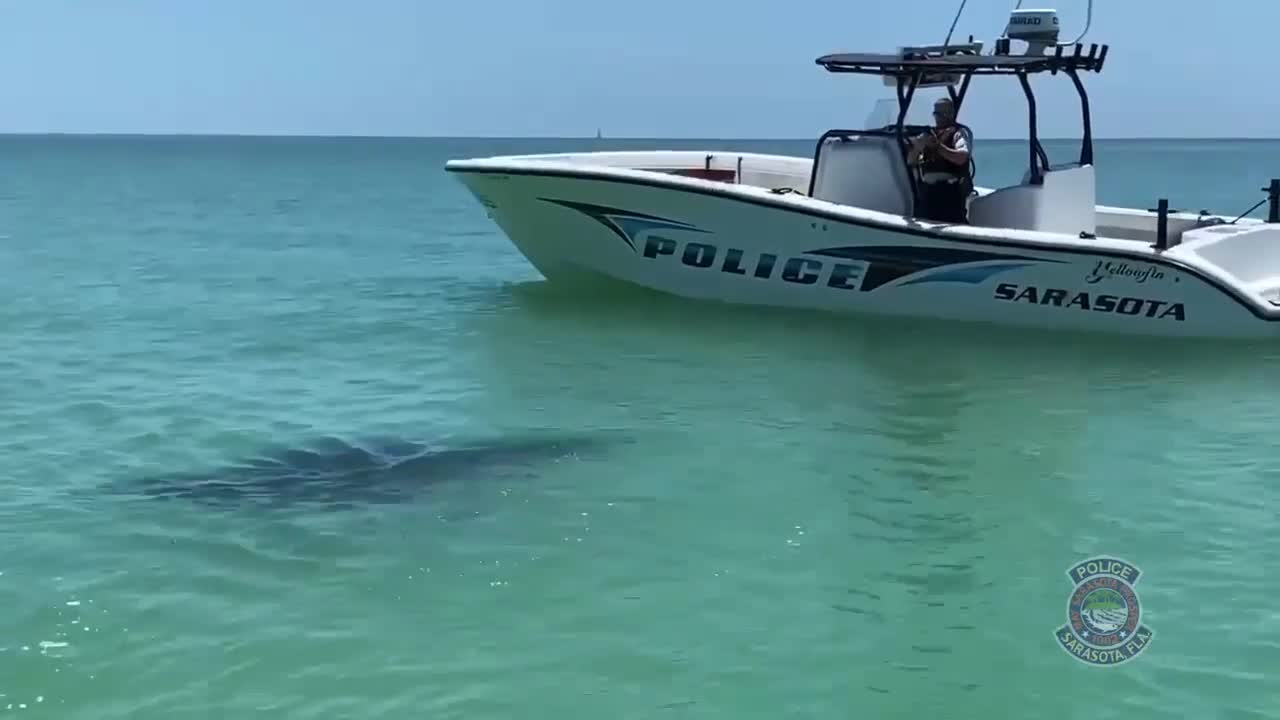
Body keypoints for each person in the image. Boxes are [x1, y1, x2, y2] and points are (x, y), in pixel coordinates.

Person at [907, 98, 974, 223]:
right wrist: (918, 146)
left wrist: (938, 147)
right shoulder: (929, 135)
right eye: (936, 114)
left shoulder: (958, 134)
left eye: (943, 114)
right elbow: (911, 161)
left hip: (949, 192)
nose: (939, 118)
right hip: (928, 193)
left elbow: (961, 157)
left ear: (951, 114)